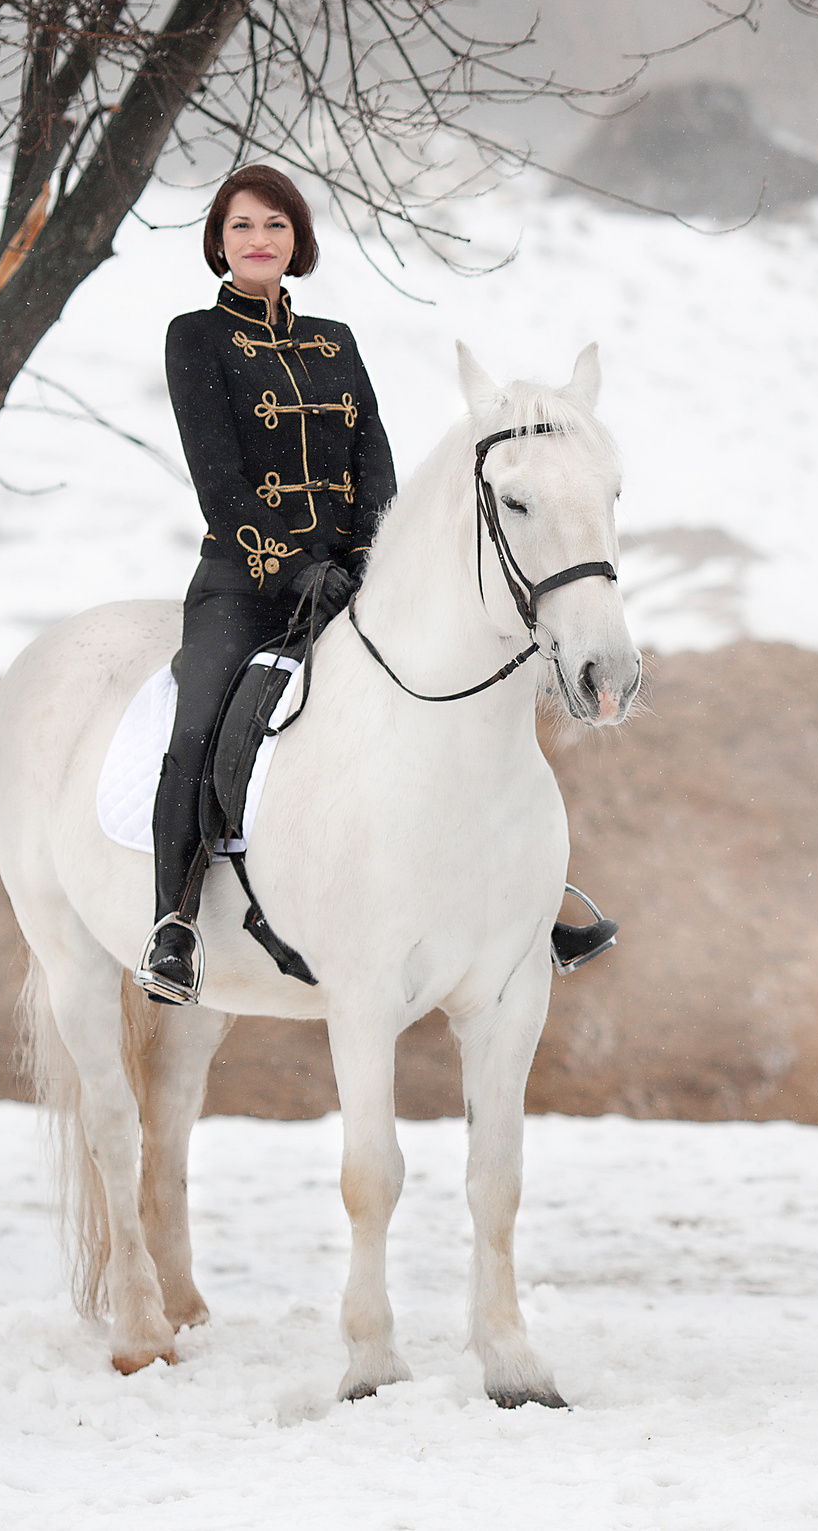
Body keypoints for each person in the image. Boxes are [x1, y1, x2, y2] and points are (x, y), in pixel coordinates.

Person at [138, 164, 617, 1004]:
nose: (260, 240)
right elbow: (221, 478)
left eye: (275, 227)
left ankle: (526, 907)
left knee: (461, 708)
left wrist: (370, 556)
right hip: (245, 581)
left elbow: (373, 457)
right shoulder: (195, 338)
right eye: (244, 226)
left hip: (350, 579)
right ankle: (173, 922)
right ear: (219, 238)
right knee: (200, 721)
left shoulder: (335, 342)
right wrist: (294, 565)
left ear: (297, 241)